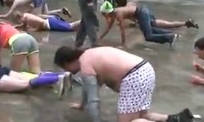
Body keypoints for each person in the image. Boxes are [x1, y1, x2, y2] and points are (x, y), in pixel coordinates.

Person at [53, 46, 194, 122]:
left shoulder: (85, 66)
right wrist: (82, 105)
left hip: (134, 77)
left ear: (67, 63)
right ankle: (176, 119)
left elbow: (94, 100)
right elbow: (88, 90)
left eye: (65, 68)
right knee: (141, 114)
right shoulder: (89, 54)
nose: (68, 72)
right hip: (145, 69)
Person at [99, 1, 180, 48]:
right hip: (142, 12)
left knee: (148, 36)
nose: (103, 15)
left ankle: (170, 37)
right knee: (150, 30)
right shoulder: (114, 13)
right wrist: (100, 38)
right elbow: (108, 28)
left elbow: (122, 30)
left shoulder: (118, 14)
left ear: (107, 12)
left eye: (103, 13)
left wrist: (123, 44)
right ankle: (171, 35)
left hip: (142, 13)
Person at [115, 0, 199, 29]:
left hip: (145, 17)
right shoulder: (130, 3)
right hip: (146, 12)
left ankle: (186, 23)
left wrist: (135, 24)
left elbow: (136, 19)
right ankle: (185, 23)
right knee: (168, 24)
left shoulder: (124, 10)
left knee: (168, 25)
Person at [0, 0, 72, 18]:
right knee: (46, 13)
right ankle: (61, 10)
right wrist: (27, 14)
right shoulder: (20, 1)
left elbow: (6, 16)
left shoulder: (16, 4)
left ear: (9, 4)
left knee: (38, 16)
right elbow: (32, 7)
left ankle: (54, 17)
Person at [14, 11, 80, 32]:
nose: (19, 22)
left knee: (70, 27)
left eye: (18, 21)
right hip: (50, 20)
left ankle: (85, 20)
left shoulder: (27, 19)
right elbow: (24, 25)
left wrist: (36, 30)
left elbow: (40, 24)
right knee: (71, 25)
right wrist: (16, 27)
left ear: (19, 18)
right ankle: (84, 23)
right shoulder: (26, 15)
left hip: (49, 24)